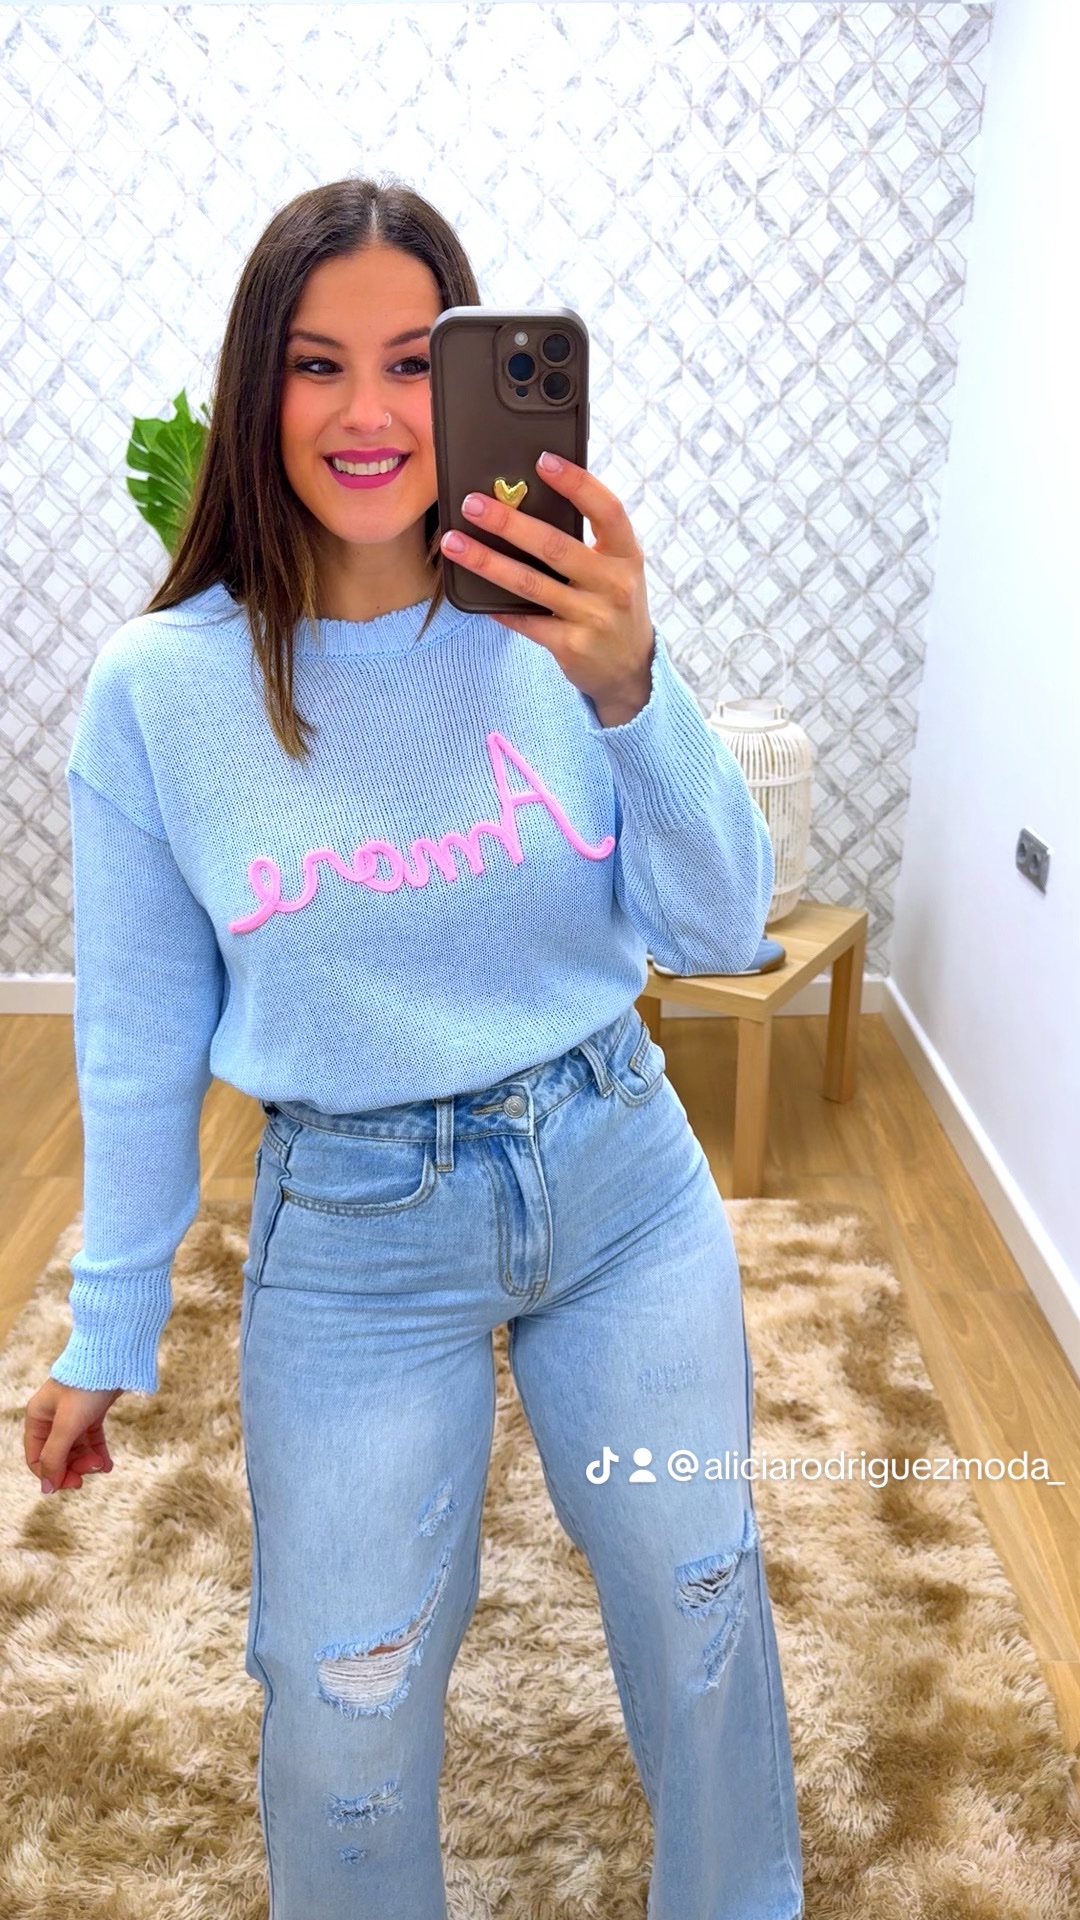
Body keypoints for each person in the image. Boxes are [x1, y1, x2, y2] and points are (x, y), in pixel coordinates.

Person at [23, 177, 805, 1920]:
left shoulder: (560, 628)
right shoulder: (159, 691)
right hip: (357, 1236)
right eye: (317, 364)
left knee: (700, 1604)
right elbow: (140, 1042)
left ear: (468, 383)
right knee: (343, 1699)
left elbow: (717, 929)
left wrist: (633, 686)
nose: (367, 412)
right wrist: (109, 1322)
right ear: (259, 388)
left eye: (409, 362)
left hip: (619, 1172)